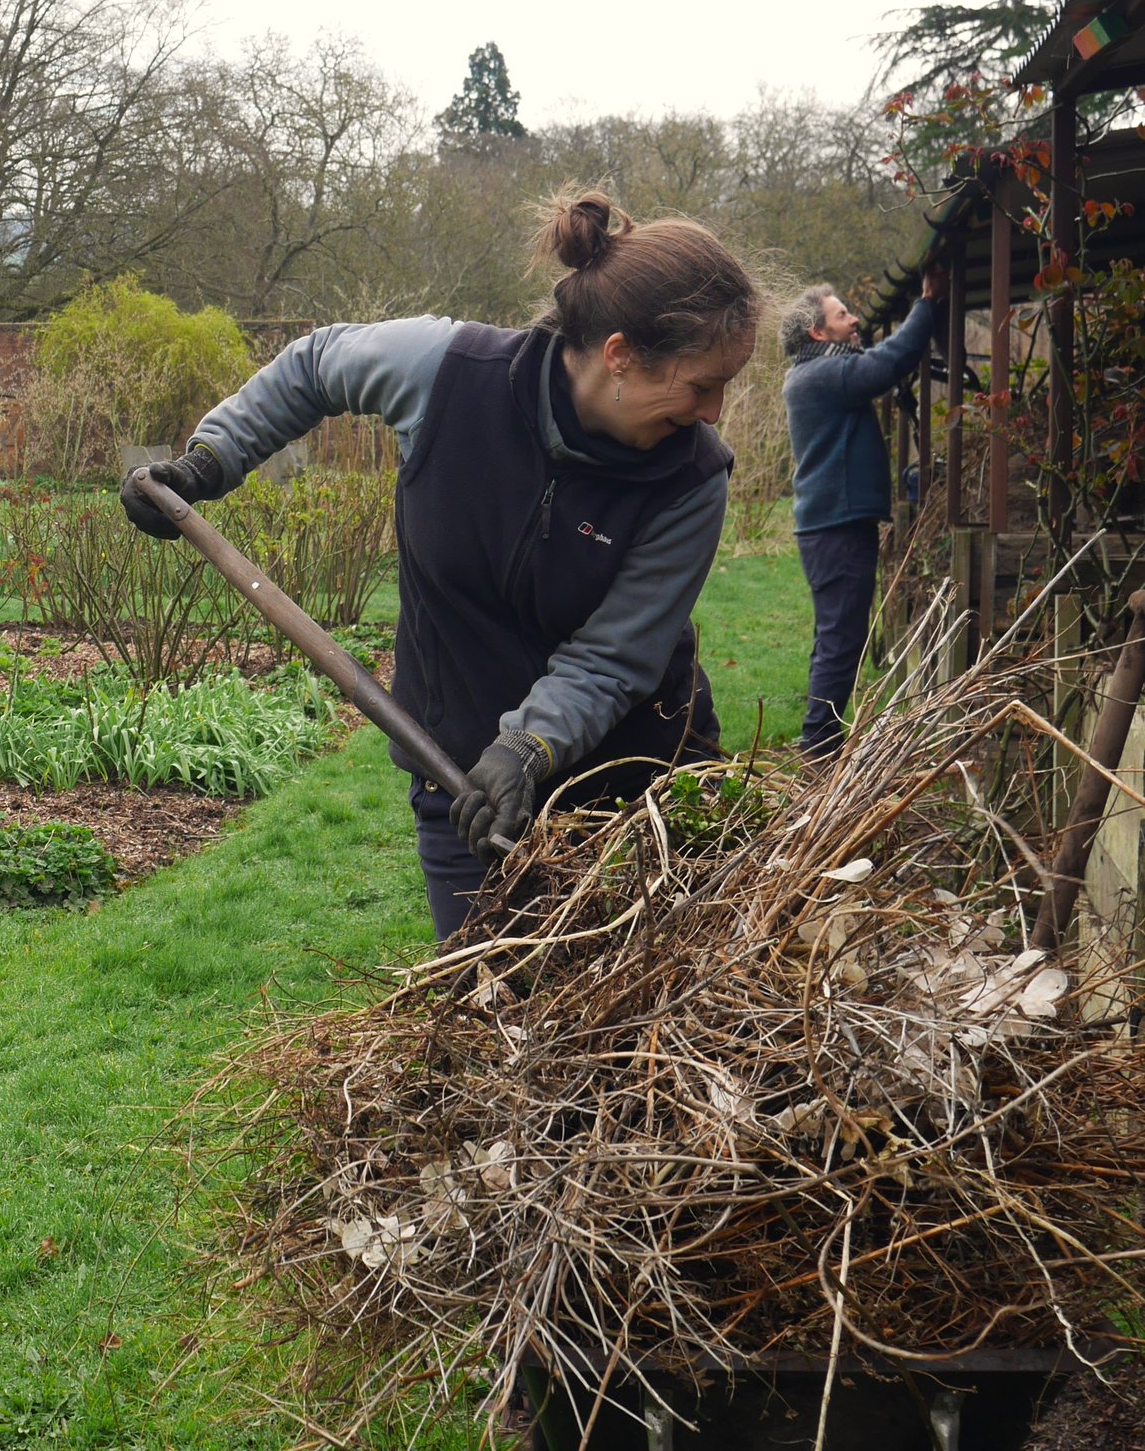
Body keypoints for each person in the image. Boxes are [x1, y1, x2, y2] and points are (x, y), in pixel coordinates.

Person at [121, 192, 760, 941]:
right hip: (461, 784)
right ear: (619, 355)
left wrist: (526, 746)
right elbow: (316, 366)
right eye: (701, 385)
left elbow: (614, 656)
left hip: (637, 783)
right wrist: (209, 461)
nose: (714, 412)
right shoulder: (448, 375)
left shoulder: (690, 478)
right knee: (487, 996)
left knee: (646, 1006)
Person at [780, 270, 947, 759]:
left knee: (835, 635)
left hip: (831, 525)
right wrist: (926, 304)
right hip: (837, 527)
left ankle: (820, 739)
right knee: (840, 638)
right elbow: (887, 362)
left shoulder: (816, 373)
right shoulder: (823, 375)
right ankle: (819, 747)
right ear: (817, 332)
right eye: (841, 315)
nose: (854, 320)